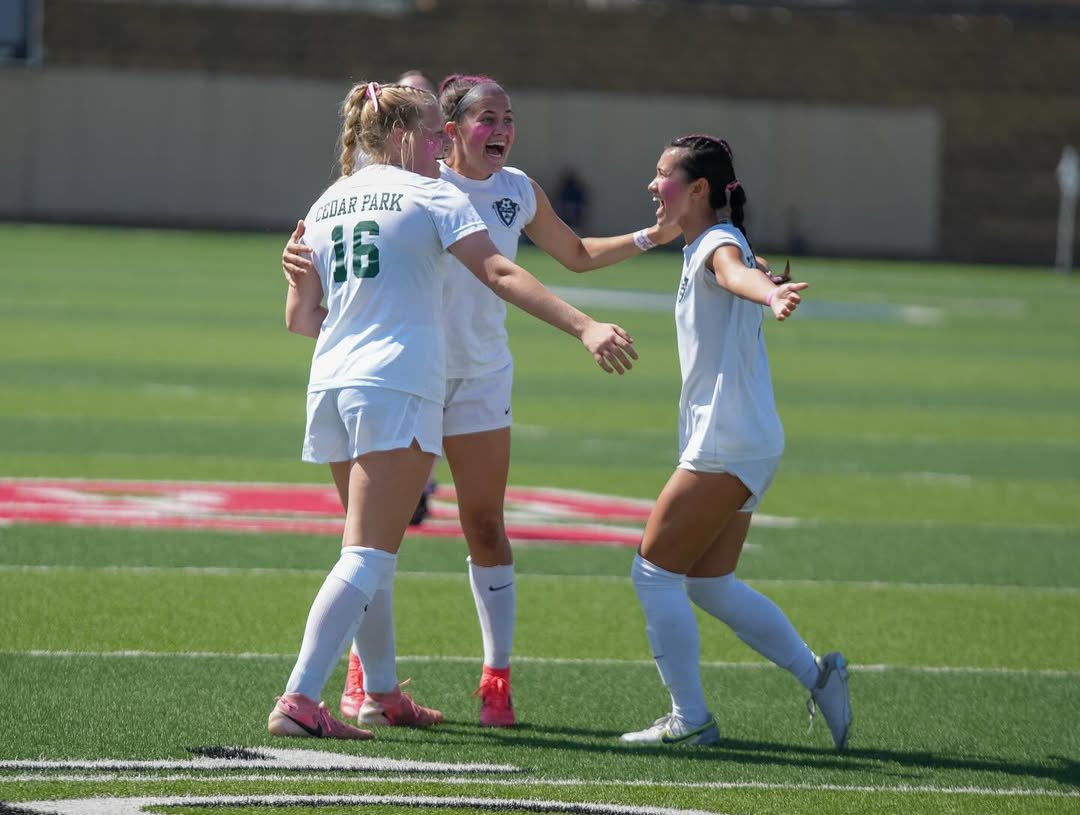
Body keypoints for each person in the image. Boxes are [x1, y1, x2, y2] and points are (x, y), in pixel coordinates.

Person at [282, 73, 679, 728]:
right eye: (442, 129)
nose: (446, 143)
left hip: (336, 380)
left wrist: (295, 283)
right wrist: (583, 325)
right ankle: (302, 696)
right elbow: (498, 270)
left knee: (379, 541)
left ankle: (382, 691)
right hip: (400, 381)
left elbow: (302, 319)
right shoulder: (432, 194)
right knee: (369, 553)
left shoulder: (332, 200)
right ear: (412, 135)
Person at [618, 134, 851, 750]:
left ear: (699, 190)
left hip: (726, 438)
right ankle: (817, 675)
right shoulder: (712, 240)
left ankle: (690, 719)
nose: (652, 185)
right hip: (747, 436)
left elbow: (736, 274)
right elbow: (740, 271)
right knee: (709, 582)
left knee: (653, 574)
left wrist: (769, 291)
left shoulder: (717, 243)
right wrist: (764, 283)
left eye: (663, 175)